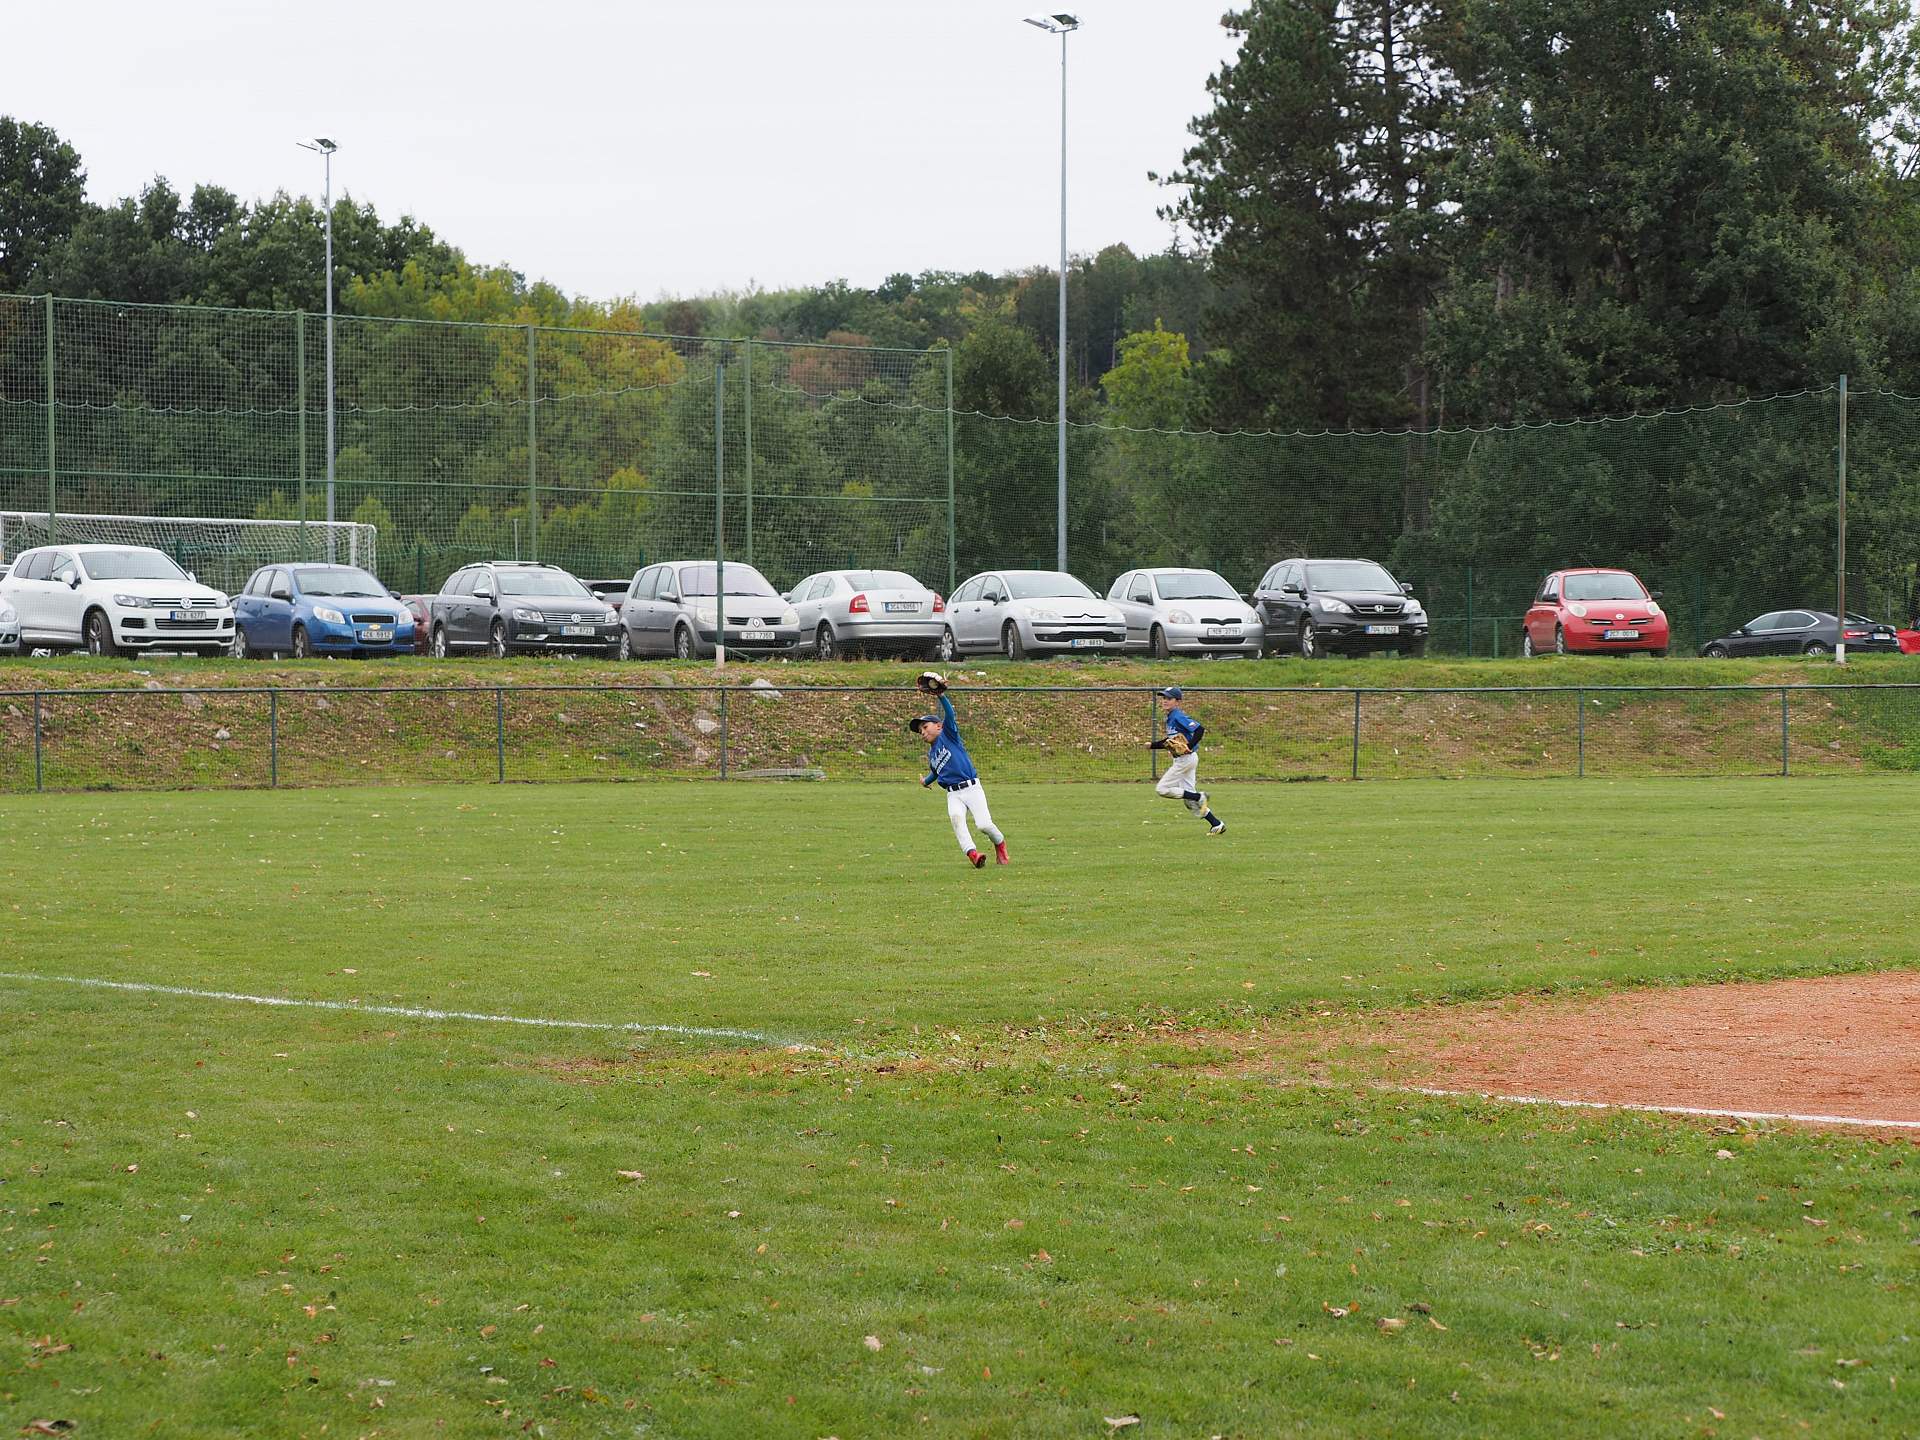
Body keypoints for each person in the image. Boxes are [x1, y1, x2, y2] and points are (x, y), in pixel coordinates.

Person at [906, 672, 1008, 868]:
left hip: (972, 788)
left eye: (925, 727)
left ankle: (1000, 844)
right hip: (953, 794)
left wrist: (941, 696)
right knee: (956, 819)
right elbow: (936, 772)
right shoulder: (932, 754)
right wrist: (926, 781)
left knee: (984, 825)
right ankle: (973, 854)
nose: (923, 732)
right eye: (920, 731)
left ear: (939, 726)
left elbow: (950, 715)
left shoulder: (949, 735)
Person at [1149, 686, 1224, 835]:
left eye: (1169, 698)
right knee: (1190, 801)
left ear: (1177, 702)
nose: (1165, 701)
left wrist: (1189, 746)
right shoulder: (1171, 717)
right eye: (1164, 698)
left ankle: (1200, 796)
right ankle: (1216, 824)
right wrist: (1152, 745)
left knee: (1162, 789)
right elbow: (1171, 741)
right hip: (1185, 760)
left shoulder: (1177, 716)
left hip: (1186, 760)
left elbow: (1199, 729)